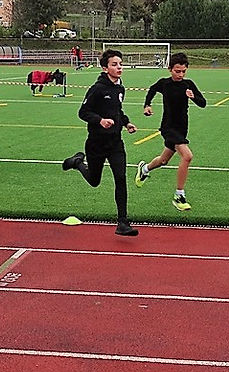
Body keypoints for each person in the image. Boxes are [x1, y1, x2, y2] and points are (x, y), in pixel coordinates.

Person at [62, 49, 139, 237]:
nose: (119, 67)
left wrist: (126, 122)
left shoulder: (120, 88)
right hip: (96, 143)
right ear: (105, 68)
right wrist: (100, 121)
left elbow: (117, 111)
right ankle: (77, 163)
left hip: (115, 143)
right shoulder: (97, 88)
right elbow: (83, 112)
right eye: (114, 64)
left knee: (120, 179)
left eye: (120, 64)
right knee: (94, 181)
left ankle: (122, 222)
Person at [134, 52, 207, 211]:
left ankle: (145, 169)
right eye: (177, 71)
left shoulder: (189, 84)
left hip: (182, 128)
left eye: (183, 71)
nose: (180, 74)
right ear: (170, 69)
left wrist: (193, 97)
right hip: (168, 127)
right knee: (187, 156)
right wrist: (147, 105)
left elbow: (203, 103)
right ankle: (179, 195)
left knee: (163, 160)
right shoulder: (164, 83)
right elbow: (152, 90)